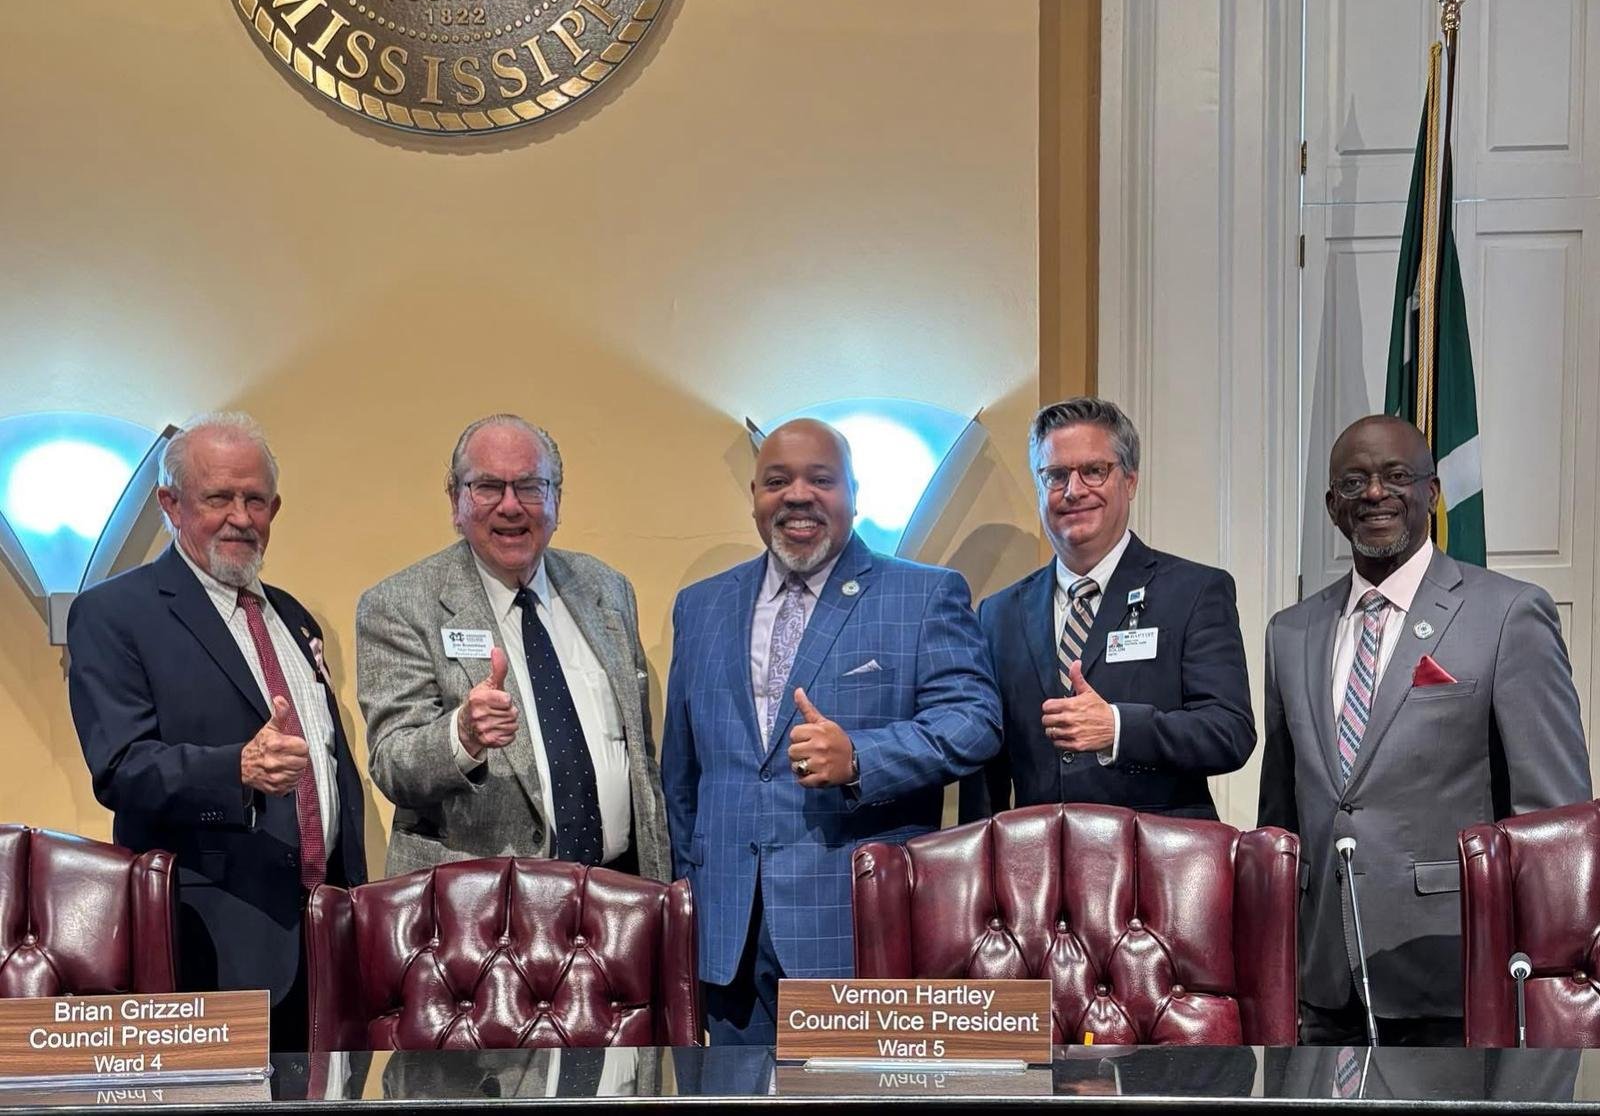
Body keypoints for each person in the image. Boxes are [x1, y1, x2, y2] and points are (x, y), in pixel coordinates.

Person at [662, 418, 1001, 1045]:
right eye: (776, 482)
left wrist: (861, 759)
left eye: (821, 480)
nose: (798, 495)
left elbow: (974, 722)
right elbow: (681, 775)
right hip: (725, 931)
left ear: (853, 494)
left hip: (852, 923)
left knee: (846, 1098)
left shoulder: (923, 595)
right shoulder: (700, 606)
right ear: (755, 498)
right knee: (730, 1097)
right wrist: (691, 892)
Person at [1258, 413, 1591, 1044]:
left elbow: (1555, 821)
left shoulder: (1508, 613)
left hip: (1458, 978)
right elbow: (1281, 816)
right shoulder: (1290, 632)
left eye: (1396, 476)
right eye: (1353, 482)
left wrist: (1553, 984)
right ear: (1332, 506)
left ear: (1431, 493)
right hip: (1322, 986)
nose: (1374, 493)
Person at [66, 413, 366, 1046]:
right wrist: (236, 769)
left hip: (329, 937)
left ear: (274, 509)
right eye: (218, 498)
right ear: (171, 504)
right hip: (209, 941)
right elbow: (121, 768)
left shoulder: (293, 616)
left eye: (255, 500)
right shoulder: (113, 614)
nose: (240, 517)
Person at [356, 414, 668, 880]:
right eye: (487, 487)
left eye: (529, 486)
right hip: (478, 902)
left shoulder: (607, 589)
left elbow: (639, 759)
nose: (510, 506)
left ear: (557, 499)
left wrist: (659, 883)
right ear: (456, 501)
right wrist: (462, 734)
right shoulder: (399, 605)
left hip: (614, 889)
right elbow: (393, 763)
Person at [960, 397, 1254, 822]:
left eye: (1094, 471)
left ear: (1130, 481)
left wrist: (1118, 728)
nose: (1074, 490)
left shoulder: (1195, 591)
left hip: (1156, 855)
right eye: (1056, 475)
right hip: (1037, 857)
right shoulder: (998, 614)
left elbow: (1229, 732)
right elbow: (985, 768)